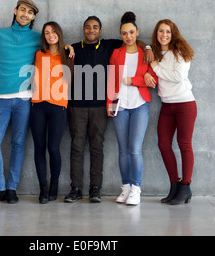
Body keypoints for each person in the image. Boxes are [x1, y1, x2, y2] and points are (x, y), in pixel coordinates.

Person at [0, 0, 73, 204]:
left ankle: (11, 189)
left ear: (33, 17)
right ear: (15, 10)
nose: (25, 15)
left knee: (18, 144)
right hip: (1, 99)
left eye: (30, 13)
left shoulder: (39, 38)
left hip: (25, 100)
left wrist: (69, 48)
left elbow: (55, 43)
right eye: (23, 10)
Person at [64, 16, 154, 203]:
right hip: (79, 106)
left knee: (98, 148)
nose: (91, 30)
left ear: (101, 30)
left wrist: (147, 47)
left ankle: (96, 190)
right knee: (77, 148)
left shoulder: (110, 46)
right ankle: (76, 189)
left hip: (101, 107)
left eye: (95, 27)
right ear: (83, 30)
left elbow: (134, 42)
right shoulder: (75, 48)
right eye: (87, 27)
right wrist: (67, 48)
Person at [106, 12, 158, 205]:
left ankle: (136, 189)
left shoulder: (146, 53)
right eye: (124, 33)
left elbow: (153, 80)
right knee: (122, 150)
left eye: (131, 32)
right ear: (121, 35)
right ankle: (125, 188)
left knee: (135, 149)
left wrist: (134, 80)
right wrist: (109, 104)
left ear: (137, 33)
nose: (128, 36)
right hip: (120, 106)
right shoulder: (116, 54)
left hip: (139, 106)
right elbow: (111, 80)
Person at [150, 19, 197, 205]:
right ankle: (174, 185)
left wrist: (154, 67)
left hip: (185, 104)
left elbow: (179, 77)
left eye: (168, 32)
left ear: (173, 33)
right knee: (163, 145)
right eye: (161, 31)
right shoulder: (156, 53)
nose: (164, 35)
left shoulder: (181, 52)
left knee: (184, 144)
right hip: (167, 105)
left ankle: (186, 187)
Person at [30, 22, 74, 204]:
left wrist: (69, 49)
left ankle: (54, 185)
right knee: (39, 148)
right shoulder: (38, 54)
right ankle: (43, 189)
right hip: (38, 105)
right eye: (47, 32)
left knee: (53, 148)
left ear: (59, 33)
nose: (50, 35)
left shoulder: (67, 54)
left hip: (58, 106)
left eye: (54, 31)